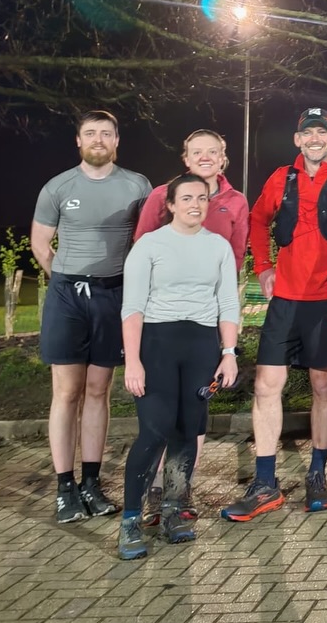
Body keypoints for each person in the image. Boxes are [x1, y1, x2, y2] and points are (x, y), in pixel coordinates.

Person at [222, 107, 327, 521]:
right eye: (308, 133)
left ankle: (317, 475)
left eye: (322, 132)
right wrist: (262, 266)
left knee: (324, 388)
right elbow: (257, 219)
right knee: (267, 386)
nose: (315, 139)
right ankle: (265, 482)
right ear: (297, 139)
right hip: (285, 301)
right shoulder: (280, 179)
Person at [31, 110, 152, 523]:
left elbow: (147, 239)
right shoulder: (58, 187)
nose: (98, 139)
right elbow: (41, 245)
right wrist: (69, 281)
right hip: (68, 295)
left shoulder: (137, 185)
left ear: (117, 140)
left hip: (113, 295)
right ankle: (65, 488)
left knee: (99, 392)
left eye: (106, 133)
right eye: (90, 133)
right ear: (78, 141)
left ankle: (91, 483)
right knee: (67, 393)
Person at [116, 174, 241, 559]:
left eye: (202, 198)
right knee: (153, 433)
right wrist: (133, 361)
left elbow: (228, 304)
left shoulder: (218, 247)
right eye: (186, 198)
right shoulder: (149, 245)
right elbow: (132, 308)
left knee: (187, 431)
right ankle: (131, 521)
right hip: (156, 345)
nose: (195, 204)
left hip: (202, 346)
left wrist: (230, 352)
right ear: (169, 204)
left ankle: (173, 511)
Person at [133, 128, 249, 526]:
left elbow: (234, 261)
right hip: (160, 326)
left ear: (223, 157)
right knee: (160, 418)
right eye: (197, 152)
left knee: (192, 417)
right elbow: (143, 251)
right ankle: (151, 495)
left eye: (212, 151)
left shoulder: (235, 201)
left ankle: (179, 493)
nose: (205, 157)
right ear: (185, 158)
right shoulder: (160, 199)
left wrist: (226, 340)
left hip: (205, 321)